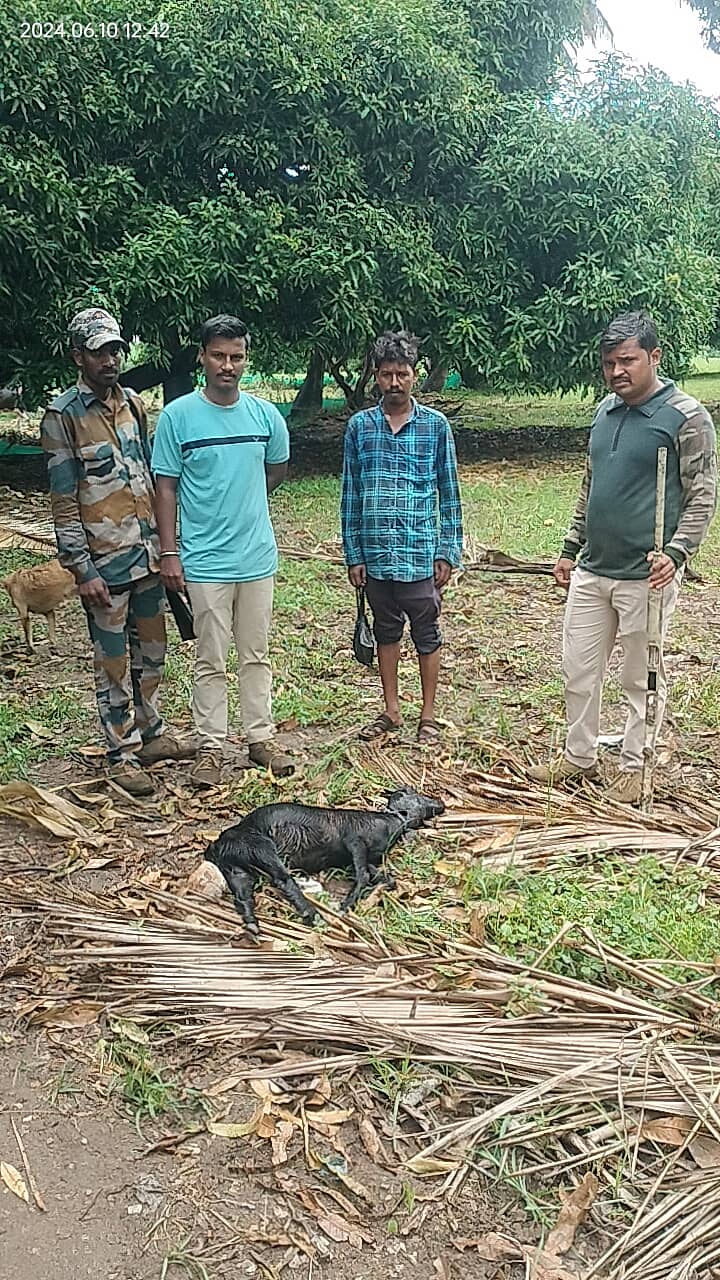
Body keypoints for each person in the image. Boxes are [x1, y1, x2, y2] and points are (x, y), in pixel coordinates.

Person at [529, 311, 717, 803]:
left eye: (627, 360)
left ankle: (635, 764)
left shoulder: (686, 416)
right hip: (594, 568)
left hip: (647, 574)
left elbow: (702, 494)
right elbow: (591, 486)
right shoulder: (604, 412)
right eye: (609, 363)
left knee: (641, 677)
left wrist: (677, 553)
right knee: (578, 669)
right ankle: (580, 757)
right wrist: (570, 549)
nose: (617, 372)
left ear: (655, 356)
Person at [40, 307, 194, 796]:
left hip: (146, 557)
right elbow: (64, 501)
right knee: (112, 662)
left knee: (152, 654)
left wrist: (167, 548)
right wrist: (81, 570)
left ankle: (152, 734)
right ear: (77, 356)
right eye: (100, 351)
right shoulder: (62, 416)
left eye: (116, 349)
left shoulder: (133, 403)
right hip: (103, 563)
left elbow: (145, 475)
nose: (111, 359)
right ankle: (120, 752)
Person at [152, 313, 294, 788]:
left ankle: (259, 740)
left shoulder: (265, 417)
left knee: (256, 652)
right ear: (202, 357)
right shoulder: (178, 417)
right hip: (203, 560)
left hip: (256, 557)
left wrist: (243, 507)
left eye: (236, 357)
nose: (227, 366)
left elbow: (273, 472)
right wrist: (170, 553)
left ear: (245, 358)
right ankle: (210, 746)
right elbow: (166, 488)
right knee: (210, 656)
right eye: (218, 356)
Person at [341, 330, 463, 746]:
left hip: (419, 554)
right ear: (375, 375)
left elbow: (450, 492)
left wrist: (448, 550)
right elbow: (350, 494)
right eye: (387, 375)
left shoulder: (434, 427)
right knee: (386, 631)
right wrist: (353, 553)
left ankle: (427, 715)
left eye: (403, 374)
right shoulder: (360, 427)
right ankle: (391, 709)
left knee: (426, 633)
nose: (395, 383)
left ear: (415, 375)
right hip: (376, 555)